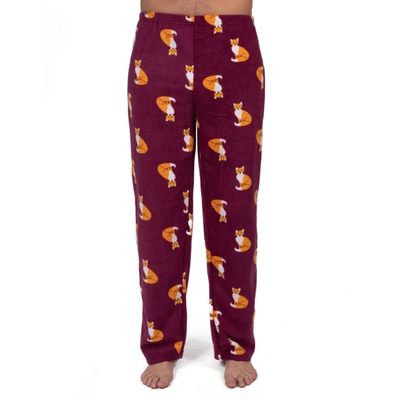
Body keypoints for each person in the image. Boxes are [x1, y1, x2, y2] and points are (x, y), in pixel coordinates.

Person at [126, 0, 265, 389]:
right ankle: (161, 343)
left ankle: (236, 343)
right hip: (158, 40)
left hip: (233, 40)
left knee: (235, 208)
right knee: (157, 207)